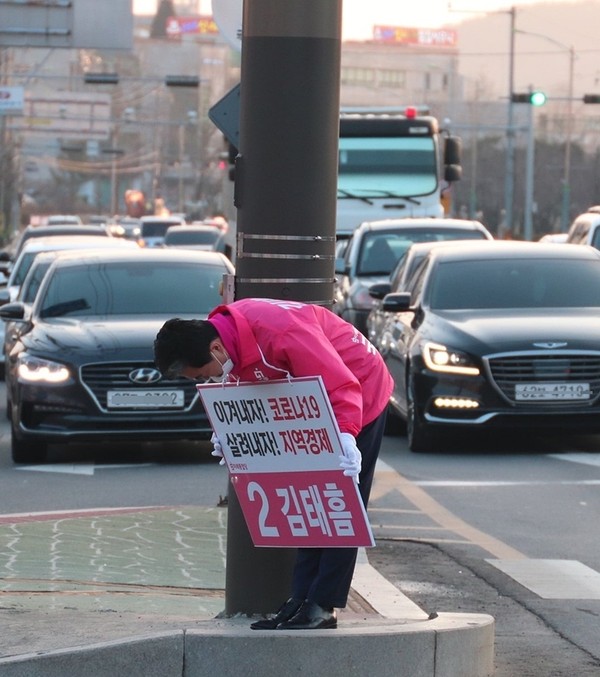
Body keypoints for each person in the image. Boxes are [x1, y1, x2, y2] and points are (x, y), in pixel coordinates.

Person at [153, 298, 393, 630]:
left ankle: (323, 606)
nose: (206, 381)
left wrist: (347, 435)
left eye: (204, 374)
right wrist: (228, 432)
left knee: (339, 500)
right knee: (309, 496)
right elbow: (243, 386)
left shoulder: (282, 332)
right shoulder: (223, 336)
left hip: (358, 388)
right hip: (308, 398)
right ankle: (300, 597)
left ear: (216, 348)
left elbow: (340, 383)